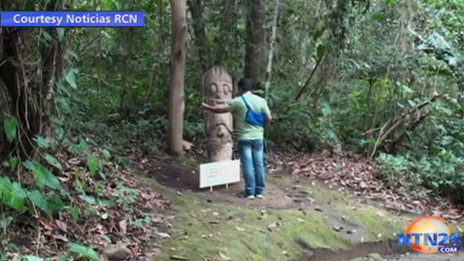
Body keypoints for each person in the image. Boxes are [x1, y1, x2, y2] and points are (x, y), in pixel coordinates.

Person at [201, 77, 272, 199]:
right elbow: (269, 118)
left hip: (244, 138)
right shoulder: (261, 101)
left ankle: (249, 192)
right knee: (259, 164)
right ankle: (259, 191)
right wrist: (262, 128)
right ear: (250, 88)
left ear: (240, 88)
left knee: (248, 164)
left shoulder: (238, 101)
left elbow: (220, 110)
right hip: (258, 137)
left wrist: (207, 107)